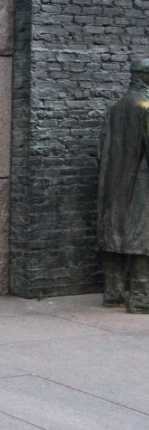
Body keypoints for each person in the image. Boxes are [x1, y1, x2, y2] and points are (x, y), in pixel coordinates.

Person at [97, 58, 149, 313]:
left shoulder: (113, 107)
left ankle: (113, 293)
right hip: (141, 187)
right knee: (141, 238)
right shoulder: (147, 107)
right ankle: (140, 298)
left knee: (115, 235)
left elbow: (101, 150)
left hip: (112, 183)